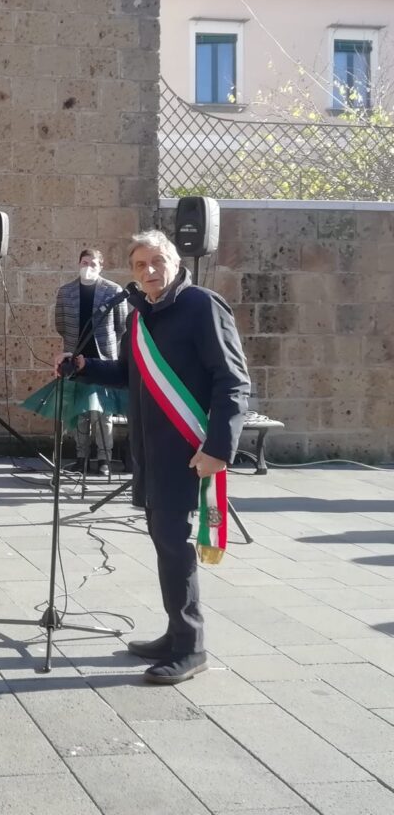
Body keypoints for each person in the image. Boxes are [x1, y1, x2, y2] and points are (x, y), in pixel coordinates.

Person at [53, 230, 249, 685]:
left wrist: (219, 448)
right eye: (140, 265)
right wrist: (84, 367)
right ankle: (175, 632)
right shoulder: (139, 316)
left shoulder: (203, 306)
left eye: (157, 261)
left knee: (177, 548)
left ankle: (190, 647)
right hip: (151, 453)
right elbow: (128, 373)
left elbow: (233, 381)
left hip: (190, 452)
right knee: (166, 544)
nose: (149, 272)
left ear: (175, 261)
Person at [22, 248, 128, 476]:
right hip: (75, 360)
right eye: (84, 262)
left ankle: (104, 459)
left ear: (101, 267)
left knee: (102, 413)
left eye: (93, 263)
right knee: (79, 412)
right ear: (78, 263)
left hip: (102, 361)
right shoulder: (66, 291)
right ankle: (81, 457)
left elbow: (121, 327)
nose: (88, 267)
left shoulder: (113, 291)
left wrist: (108, 350)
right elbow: (61, 324)